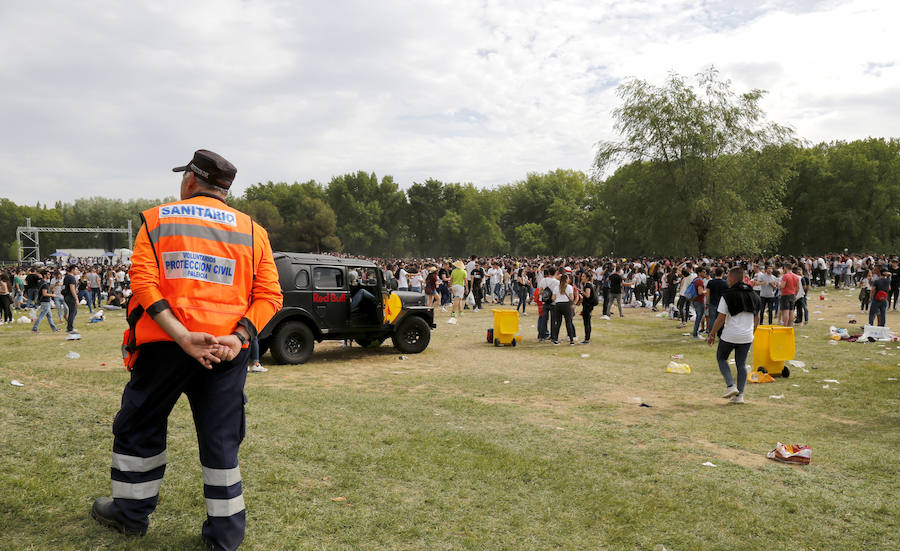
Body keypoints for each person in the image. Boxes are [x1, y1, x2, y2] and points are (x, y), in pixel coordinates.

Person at [90, 149, 282, 551]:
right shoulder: (253, 231)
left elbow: (143, 283)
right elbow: (269, 297)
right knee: (221, 440)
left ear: (191, 180)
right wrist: (238, 338)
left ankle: (129, 515)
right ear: (225, 189)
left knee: (140, 427)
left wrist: (181, 335)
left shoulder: (158, 219)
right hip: (227, 352)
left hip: (165, 345)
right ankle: (225, 536)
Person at [707, 266, 760, 404]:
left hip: (730, 334)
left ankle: (731, 385)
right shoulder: (754, 295)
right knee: (741, 364)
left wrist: (712, 333)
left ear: (734, 278)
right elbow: (757, 318)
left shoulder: (728, 294)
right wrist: (752, 332)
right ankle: (740, 395)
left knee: (721, 357)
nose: (727, 279)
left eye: (728, 277)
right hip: (747, 335)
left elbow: (721, 318)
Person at [550, 274, 576, 345]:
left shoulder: (556, 288)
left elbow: (553, 298)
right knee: (568, 322)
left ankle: (555, 339)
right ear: (567, 280)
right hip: (566, 305)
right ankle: (571, 340)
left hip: (558, 305)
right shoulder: (570, 287)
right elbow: (571, 298)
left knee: (558, 323)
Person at [778, 262, 800, 327]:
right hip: (792, 294)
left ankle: (785, 325)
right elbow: (798, 287)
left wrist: (778, 284)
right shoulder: (796, 276)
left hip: (785, 294)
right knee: (791, 311)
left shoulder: (785, 276)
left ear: (785, 268)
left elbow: (782, 286)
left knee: (786, 311)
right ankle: (790, 326)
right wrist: (795, 295)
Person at [579, 271, 596, 344]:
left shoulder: (588, 285)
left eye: (583, 276)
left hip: (587, 306)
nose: (582, 278)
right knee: (587, 322)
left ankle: (587, 339)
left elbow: (587, 295)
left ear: (587, 278)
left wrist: (582, 292)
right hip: (589, 306)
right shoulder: (591, 284)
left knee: (586, 322)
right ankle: (587, 338)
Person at [62, 266, 80, 333]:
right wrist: (76, 298)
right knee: (73, 312)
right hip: (70, 297)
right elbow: (72, 289)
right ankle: (70, 328)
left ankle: (69, 327)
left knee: (73, 312)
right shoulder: (72, 278)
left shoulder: (66, 277)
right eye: (76, 269)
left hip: (66, 296)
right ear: (72, 270)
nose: (77, 271)